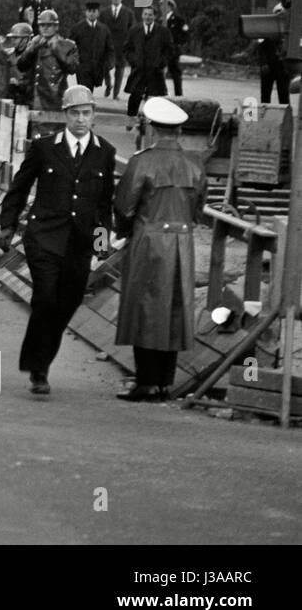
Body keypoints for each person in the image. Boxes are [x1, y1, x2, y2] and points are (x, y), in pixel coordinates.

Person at [0, 85, 116, 396]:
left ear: (93, 116)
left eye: (86, 113)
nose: (80, 119)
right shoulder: (45, 148)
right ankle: (39, 369)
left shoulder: (105, 152)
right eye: (75, 113)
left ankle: (41, 356)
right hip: (44, 237)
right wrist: (6, 226)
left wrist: (101, 244)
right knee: (46, 299)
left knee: (68, 302)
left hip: (79, 242)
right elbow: (19, 188)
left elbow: (105, 204)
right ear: (65, 115)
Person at [114, 97, 205, 402]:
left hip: (149, 239)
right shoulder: (195, 163)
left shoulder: (142, 162)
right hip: (183, 241)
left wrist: (124, 233)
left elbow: (125, 206)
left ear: (152, 128)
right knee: (175, 310)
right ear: (180, 130)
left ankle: (146, 381)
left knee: (145, 310)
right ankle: (165, 382)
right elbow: (198, 210)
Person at [17, 8, 78, 136]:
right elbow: (21, 66)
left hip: (55, 97)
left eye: (49, 25)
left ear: (56, 27)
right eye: (42, 25)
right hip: (35, 97)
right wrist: (32, 49)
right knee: (35, 139)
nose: (45, 28)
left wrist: (56, 49)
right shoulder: (35, 43)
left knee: (54, 137)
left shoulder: (68, 45)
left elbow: (72, 68)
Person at [123, 5, 174, 125]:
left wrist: (161, 63)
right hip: (139, 69)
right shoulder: (134, 30)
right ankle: (131, 119)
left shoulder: (163, 31)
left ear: (155, 16)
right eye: (145, 14)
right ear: (142, 15)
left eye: (150, 15)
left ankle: (152, 122)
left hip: (155, 70)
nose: (147, 17)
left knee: (155, 97)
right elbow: (127, 49)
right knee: (135, 95)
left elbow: (169, 50)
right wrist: (134, 60)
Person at [69, 0, 113, 92]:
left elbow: (109, 49)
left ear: (98, 13)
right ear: (86, 12)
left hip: (97, 67)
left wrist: (109, 63)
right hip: (83, 67)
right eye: (89, 11)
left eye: (94, 11)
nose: (91, 14)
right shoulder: (78, 28)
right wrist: (74, 62)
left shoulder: (104, 29)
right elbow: (70, 46)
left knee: (90, 89)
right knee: (85, 89)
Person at [257, 0, 292, 104]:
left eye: (282, 14)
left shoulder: (288, 30)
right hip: (268, 67)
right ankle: (265, 117)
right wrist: (263, 64)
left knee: (284, 96)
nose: (280, 16)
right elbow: (261, 48)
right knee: (265, 96)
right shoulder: (266, 29)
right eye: (278, 13)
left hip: (282, 68)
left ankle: (286, 116)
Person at [103, 0, 134, 99]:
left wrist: (129, 44)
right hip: (107, 46)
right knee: (105, 67)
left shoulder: (128, 13)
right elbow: (100, 28)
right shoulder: (104, 12)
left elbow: (132, 30)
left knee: (120, 70)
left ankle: (116, 94)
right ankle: (108, 84)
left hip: (122, 46)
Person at [163, 0, 189, 96]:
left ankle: (178, 95)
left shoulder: (178, 20)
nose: (162, 7)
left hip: (173, 52)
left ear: (170, 6)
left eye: (164, 4)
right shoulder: (160, 19)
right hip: (162, 51)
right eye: (161, 4)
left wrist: (177, 44)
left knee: (175, 74)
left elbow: (185, 35)